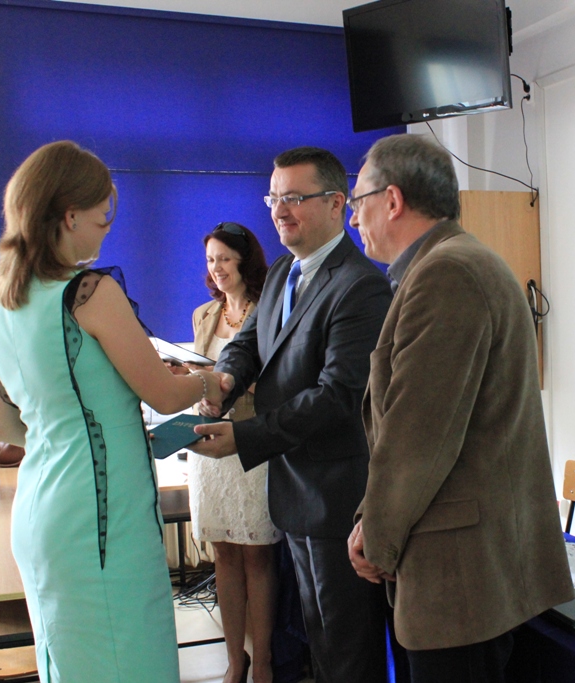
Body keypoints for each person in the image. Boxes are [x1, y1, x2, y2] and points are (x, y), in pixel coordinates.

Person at [0, 140, 224, 683]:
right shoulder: (90, 292)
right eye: (101, 218)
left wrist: (82, 428)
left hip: (40, 511)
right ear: (70, 216)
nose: (106, 231)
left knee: (71, 664)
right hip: (101, 518)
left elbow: (2, 425)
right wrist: (211, 379)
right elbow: (163, 395)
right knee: (128, 660)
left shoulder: (4, 303)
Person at [345, 133, 574, 683]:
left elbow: (418, 437)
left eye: (358, 202)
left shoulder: (446, 273)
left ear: (392, 200)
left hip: (459, 576)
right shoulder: (455, 263)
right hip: (469, 564)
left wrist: (376, 539)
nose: (354, 218)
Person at [188, 147, 397, 683]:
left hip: (337, 497)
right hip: (293, 490)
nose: (280, 211)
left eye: (295, 198)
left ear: (336, 203)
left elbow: (337, 396)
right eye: (274, 198)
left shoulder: (361, 286)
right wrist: (225, 381)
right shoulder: (283, 271)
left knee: (348, 651)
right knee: (319, 643)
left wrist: (244, 436)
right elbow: (248, 345)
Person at [188, 222, 280, 683]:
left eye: (224, 258)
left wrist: (234, 385)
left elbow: (282, 378)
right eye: (210, 260)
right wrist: (185, 377)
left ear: (245, 260)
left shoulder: (270, 310)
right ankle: (234, 661)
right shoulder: (203, 314)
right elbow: (201, 376)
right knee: (223, 554)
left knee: (257, 556)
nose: (217, 268)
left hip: (253, 443)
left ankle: (263, 662)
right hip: (209, 446)